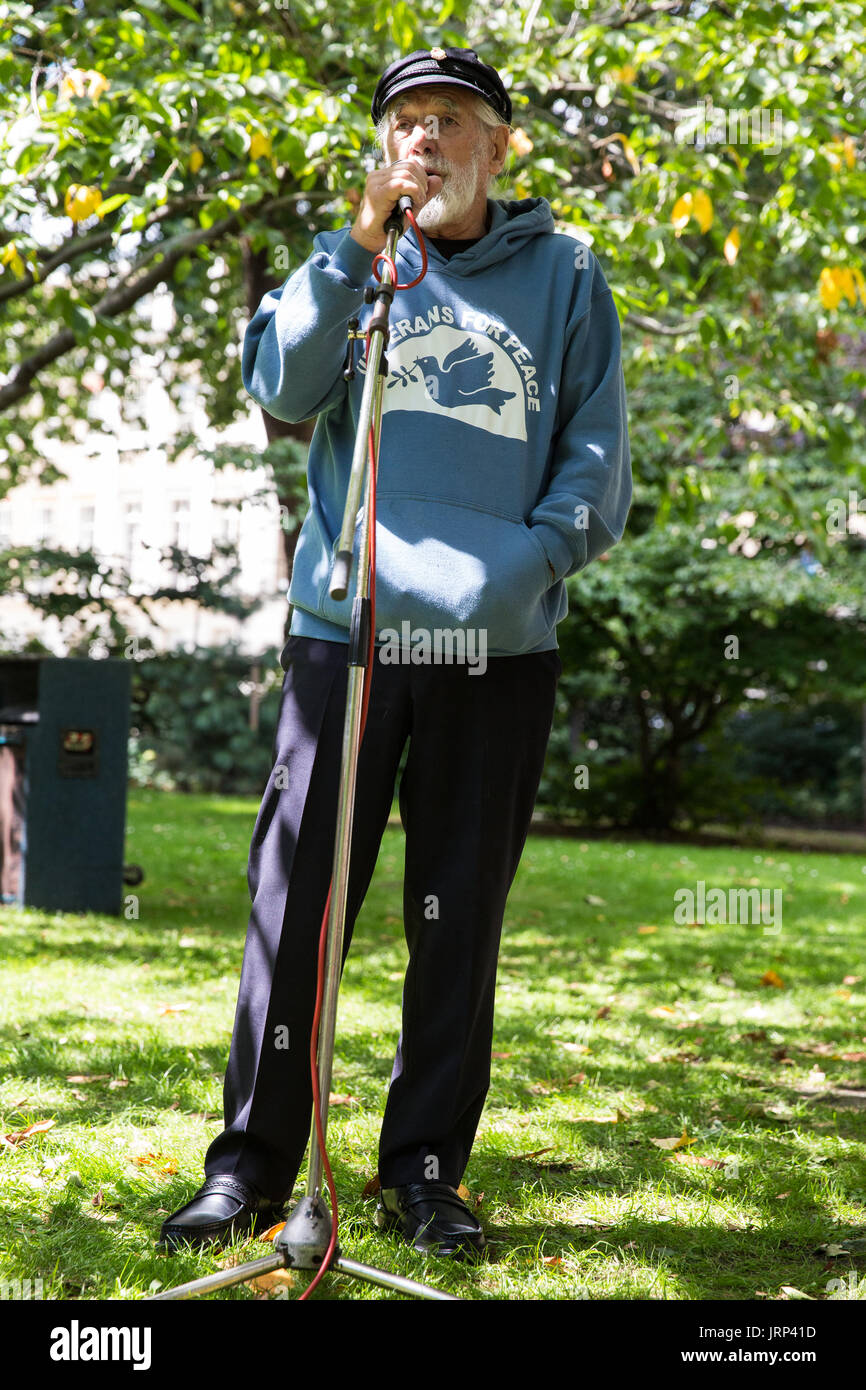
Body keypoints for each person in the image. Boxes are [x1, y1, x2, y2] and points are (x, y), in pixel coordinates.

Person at [160, 46, 632, 1262]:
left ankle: (425, 1169)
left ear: (498, 146)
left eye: (449, 122)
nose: (422, 141)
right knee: (297, 904)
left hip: (497, 648)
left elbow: (594, 462)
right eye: (404, 124)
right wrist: (345, 252)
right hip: (347, 636)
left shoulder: (568, 274)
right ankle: (250, 1168)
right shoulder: (360, 263)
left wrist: (517, 569)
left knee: (453, 914)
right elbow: (280, 383)